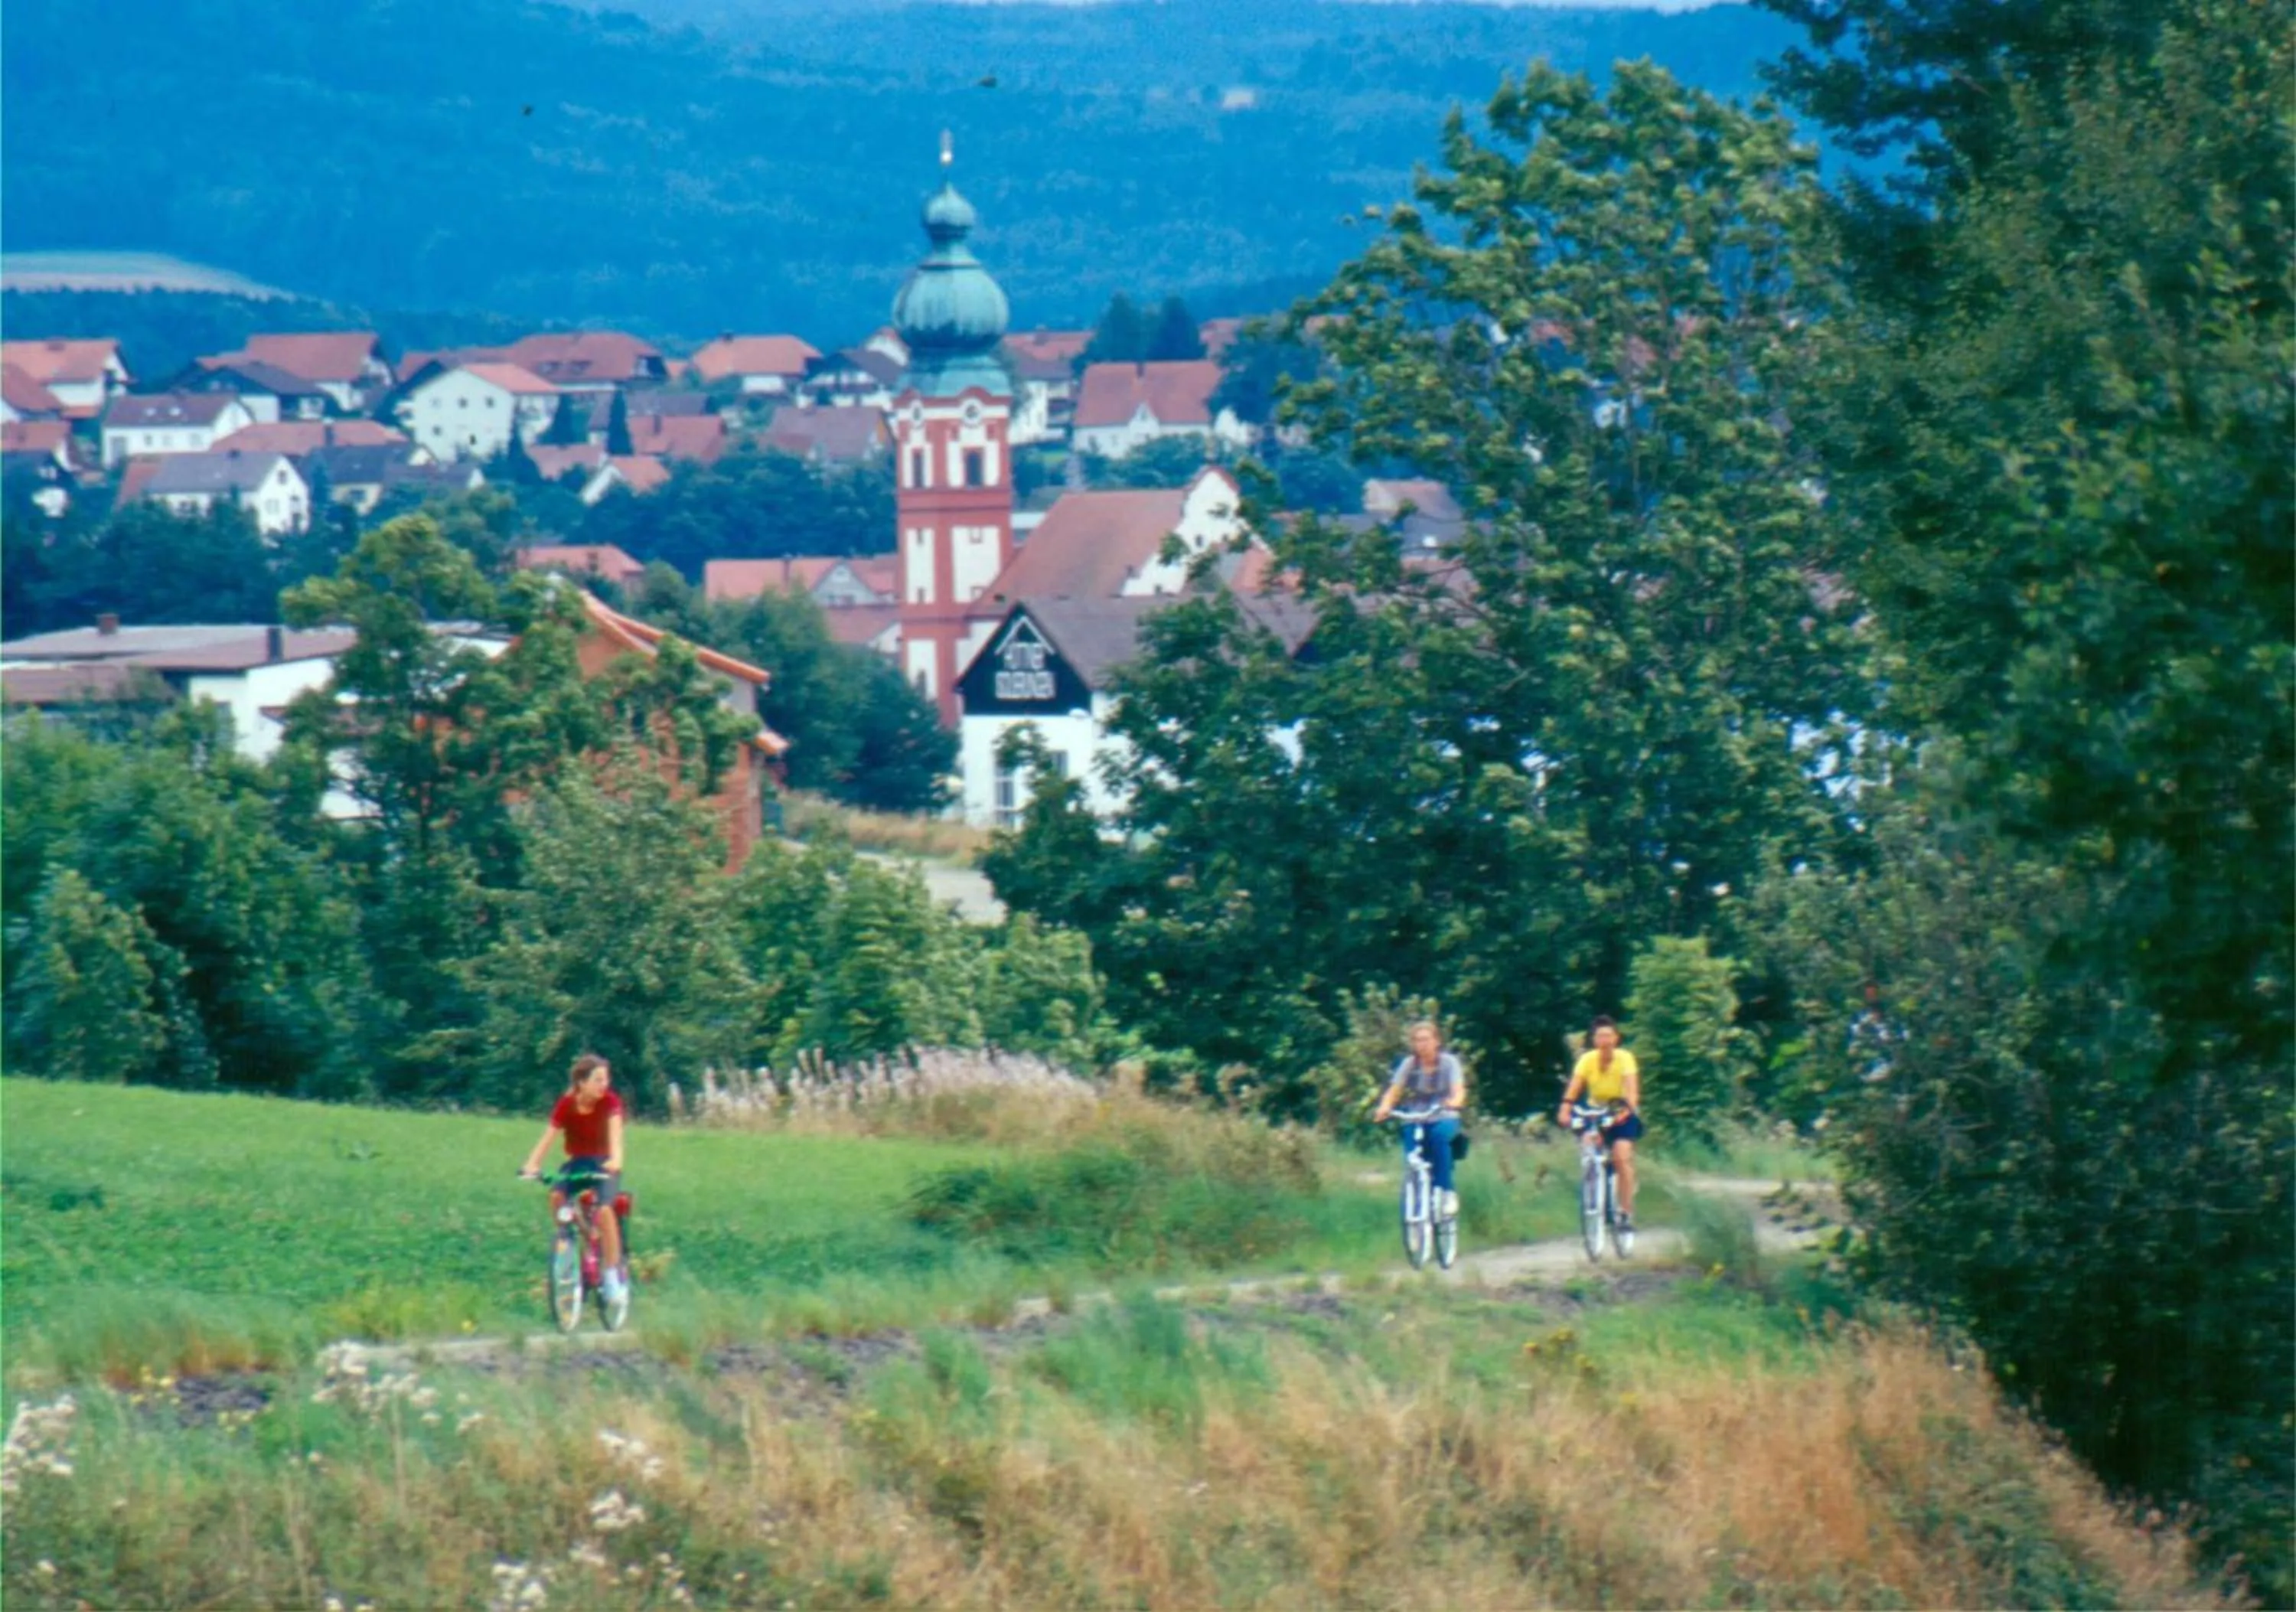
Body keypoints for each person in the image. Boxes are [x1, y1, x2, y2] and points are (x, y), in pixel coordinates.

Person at [519, 1052, 628, 1305]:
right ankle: (571, 1242)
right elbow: (549, 1137)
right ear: (581, 1082)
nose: (604, 1085)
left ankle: (612, 1276)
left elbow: (616, 1137)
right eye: (598, 1080)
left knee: (604, 1211)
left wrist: (615, 1160)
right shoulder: (567, 1104)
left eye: (605, 1079)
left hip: (604, 1163)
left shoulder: (610, 1102)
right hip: (577, 1162)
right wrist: (532, 1165)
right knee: (557, 1196)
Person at [1371, 1020, 1466, 1216]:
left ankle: (1447, 1191)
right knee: (1412, 1153)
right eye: (1417, 1040)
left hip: (1443, 1114)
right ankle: (1416, 1194)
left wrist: (1455, 1101)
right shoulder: (1410, 1064)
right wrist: (1385, 1107)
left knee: (1440, 1139)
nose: (1421, 1045)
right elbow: (1394, 1090)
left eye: (1425, 1040)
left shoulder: (1449, 1063)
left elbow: (1459, 1091)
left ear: (1436, 1041)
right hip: (1416, 1116)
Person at [1558, 1015, 1642, 1229]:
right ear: (1594, 1040)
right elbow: (1575, 1086)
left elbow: (1632, 1092)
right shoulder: (1587, 1060)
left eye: (1608, 1035)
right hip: (1596, 1110)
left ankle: (1625, 1210)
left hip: (1621, 1109)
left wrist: (1625, 1110)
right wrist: (1565, 1108)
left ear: (1616, 1039)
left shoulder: (1625, 1058)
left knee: (1622, 1156)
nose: (1604, 1040)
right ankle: (1594, 1193)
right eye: (1600, 1036)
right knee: (1589, 1144)